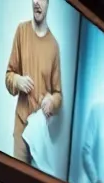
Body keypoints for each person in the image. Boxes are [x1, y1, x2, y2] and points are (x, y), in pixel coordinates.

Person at [5, 0, 63, 164]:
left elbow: (59, 95)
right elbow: (8, 75)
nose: (37, 3)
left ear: (48, 3)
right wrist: (17, 80)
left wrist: (52, 100)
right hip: (21, 128)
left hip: (41, 134)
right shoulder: (21, 31)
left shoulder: (53, 46)